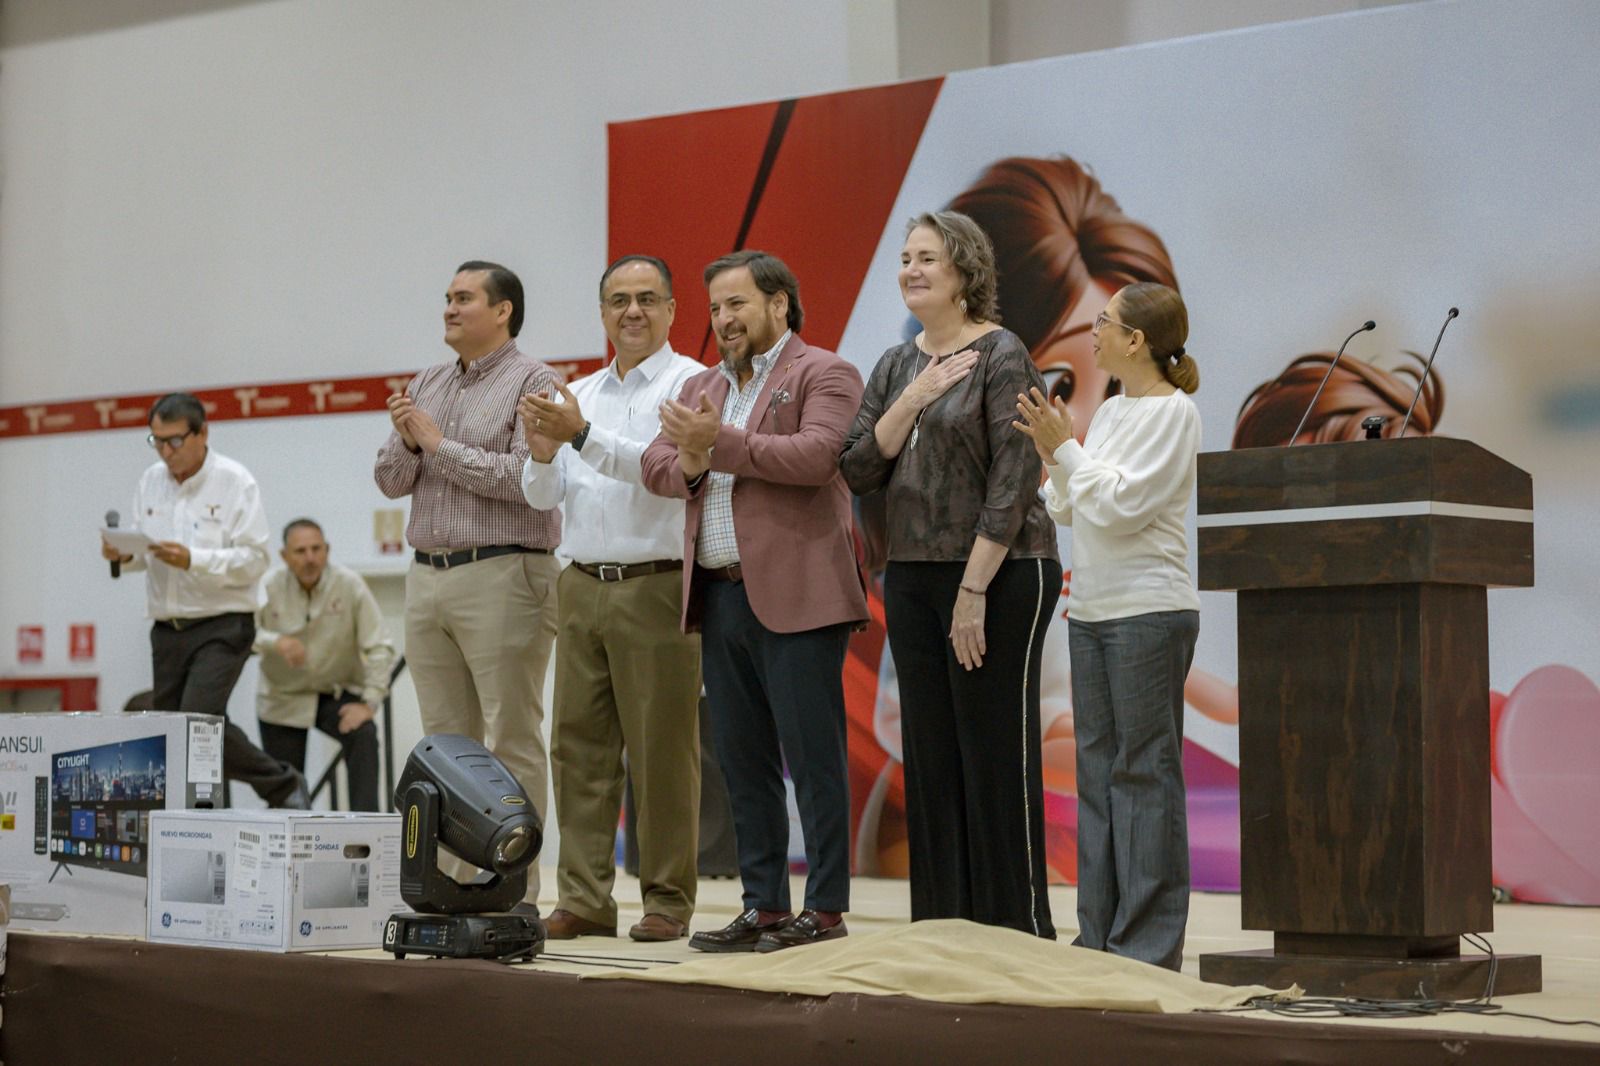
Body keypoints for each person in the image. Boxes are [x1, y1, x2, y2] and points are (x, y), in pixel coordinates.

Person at [840, 211, 1060, 937]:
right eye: (905, 257)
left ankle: (1017, 927)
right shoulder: (895, 366)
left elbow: (1015, 479)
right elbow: (858, 468)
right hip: (911, 575)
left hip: (1000, 573)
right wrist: (911, 400)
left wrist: (973, 589)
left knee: (992, 752)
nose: (911, 269)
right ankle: (942, 928)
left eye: (927, 258)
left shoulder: (1002, 352)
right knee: (930, 757)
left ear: (965, 271)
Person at [640, 250, 867, 952]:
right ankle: (764, 906)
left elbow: (819, 456)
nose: (724, 319)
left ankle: (824, 909)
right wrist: (691, 456)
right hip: (721, 595)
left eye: (737, 304)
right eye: (715, 308)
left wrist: (720, 444)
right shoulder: (702, 384)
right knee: (743, 764)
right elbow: (655, 463)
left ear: (779, 304)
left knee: (813, 759)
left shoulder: (825, 372)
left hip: (800, 596)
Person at [1014, 281, 1202, 971]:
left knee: (1144, 776)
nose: (1095, 332)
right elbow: (1070, 507)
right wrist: (1053, 453)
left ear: (1136, 340)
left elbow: (1121, 506)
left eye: (1105, 322)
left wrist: (1066, 452)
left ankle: (1146, 946)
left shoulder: (1174, 412)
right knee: (1098, 775)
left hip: (1148, 609)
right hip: (1093, 610)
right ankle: (1099, 935)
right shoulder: (1116, 409)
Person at [518, 255, 705, 942]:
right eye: (619, 300)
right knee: (577, 749)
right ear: (601, 313)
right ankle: (585, 898)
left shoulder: (692, 385)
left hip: (656, 581)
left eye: (647, 298)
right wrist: (543, 453)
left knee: (661, 753)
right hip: (579, 582)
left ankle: (667, 900)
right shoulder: (578, 393)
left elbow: (662, 473)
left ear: (672, 309)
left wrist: (579, 436)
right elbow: (544, 498)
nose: (632, 311)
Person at [373, 260, 560, 911]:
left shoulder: (535, 382)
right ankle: (454, 886)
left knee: (512, 736)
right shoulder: (427, 381)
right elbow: (389, 480)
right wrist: (408, 444)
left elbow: (526, 481)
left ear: (503, 310)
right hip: (427, 575)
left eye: (464, 298)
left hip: (504, 570)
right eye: (447, 298)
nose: (449, 309)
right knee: (446, 746)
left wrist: (435, 444)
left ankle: (516, 888)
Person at [100, 392, 308, 808]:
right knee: (178, 731)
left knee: (197, 723)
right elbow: (145, 553)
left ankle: (281, 786)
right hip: (167, 628)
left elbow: (255, 560)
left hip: (223, 625)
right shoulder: (150, 481)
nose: (165, 451)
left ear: (203, 433)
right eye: (156, 441)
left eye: (174, 440)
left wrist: (193, 559)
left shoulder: (235, 482)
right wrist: (124, 554)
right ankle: (260, 793)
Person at [254, 517, 395, 812]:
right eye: (300, 551)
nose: (310, 558)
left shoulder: (349, 584)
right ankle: (288, 838)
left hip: (335, 692)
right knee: (286, 795)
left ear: (327, 550)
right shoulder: (267, 586)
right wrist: (275, 642)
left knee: (364, 735)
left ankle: (366, 827)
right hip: (283, 697)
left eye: (316, 549)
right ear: (284, 556)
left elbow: (380, 645)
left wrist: (370, 702)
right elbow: (244, 633)